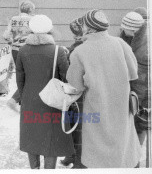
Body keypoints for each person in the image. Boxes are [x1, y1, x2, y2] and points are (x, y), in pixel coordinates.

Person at [67, 9, 141, 168]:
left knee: (98, 151)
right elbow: (133, 72)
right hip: (121, 106)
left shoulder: (80, 51)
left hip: (97, 106)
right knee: (122, 145)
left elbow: (75, 85)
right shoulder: (120, 44)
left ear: (89, 28)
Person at [15, 14, 74, 169]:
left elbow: (20, 79)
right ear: (50, 30)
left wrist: (24, 97)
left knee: (31, 137)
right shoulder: (58, 51)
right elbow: (66, 79)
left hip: (29, 100)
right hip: (52, 102)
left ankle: (34, 169)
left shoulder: (22, 51)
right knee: (51, 139)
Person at [60, 16, 86, 168]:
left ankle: (77, 159)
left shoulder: (78, 48)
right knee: (75, 125)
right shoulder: (78, 46)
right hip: (76, 92)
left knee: (76, 126)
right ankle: (72, 155)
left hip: (78, 92)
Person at [120, 10, 149, 146]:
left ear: (133, 28)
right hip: (131, 89)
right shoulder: (128, 38)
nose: (122, 29)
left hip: (142, 93)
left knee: (140, 125)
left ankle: (136, 160)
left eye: (124, 27)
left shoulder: (146, 47)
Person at [4, 0, 34, 108]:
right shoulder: (33, 20)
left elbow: (6, 35)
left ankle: (21, 99)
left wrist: (11, 42)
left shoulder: (13, 19)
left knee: (20, 74)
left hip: (15, 50)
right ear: (30, 10)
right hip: (28, 49)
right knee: (29, 75)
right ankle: (17, 99)